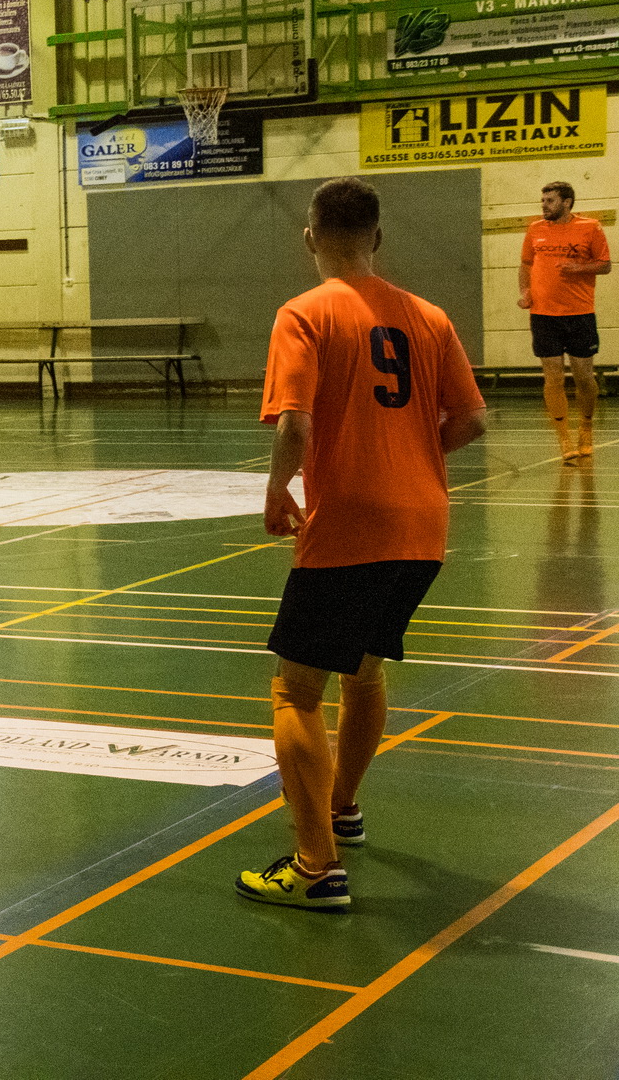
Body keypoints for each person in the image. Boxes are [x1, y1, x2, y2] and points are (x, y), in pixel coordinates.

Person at [237, 177, 487, 911]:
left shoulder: (305, 313)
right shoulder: (429, 316)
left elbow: (296, 422)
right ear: (377, 237)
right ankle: (342, 807)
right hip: (422, 528)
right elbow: (472, 420)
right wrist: (415, 458)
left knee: (295, 690)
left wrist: (277, 489)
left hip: (349, 524)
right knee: (365, 670)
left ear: (310, 237)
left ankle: (315, 867)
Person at [519, 181, 610, 462]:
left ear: (567, 202)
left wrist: (578, 268)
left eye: (550, 200)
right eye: (543, 200)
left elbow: (605, 265)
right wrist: (525, 292)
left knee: (584, 377)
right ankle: (564, 438)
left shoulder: (590, 227)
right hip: (543, 316)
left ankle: (586, 426)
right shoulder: (535, 229)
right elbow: (526, 265)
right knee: (553, 378)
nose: (544, 205)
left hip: (579, 314)